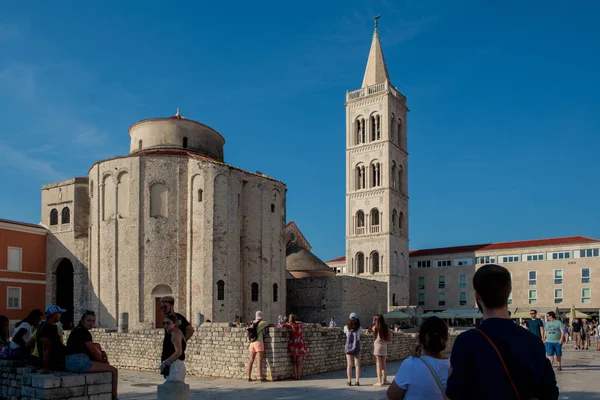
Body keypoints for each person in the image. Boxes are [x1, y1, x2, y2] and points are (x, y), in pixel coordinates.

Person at [446, 264, 558, 400]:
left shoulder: (466, 342)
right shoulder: (533, 342)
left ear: (477, 295)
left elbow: (455, 392)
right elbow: (549, 393)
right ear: (509, 291)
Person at [387, 316, 450, 399]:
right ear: (446, 338)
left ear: (419, 339)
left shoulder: (411, 364)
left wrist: (412, 359)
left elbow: (392, 395)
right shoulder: (454, 366)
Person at [66, 311, 119, 400]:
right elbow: (93, 350)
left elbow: (94, 347)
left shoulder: (76, 330)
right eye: (89, 320)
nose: (91, 323)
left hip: (69, 361)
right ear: (83, 321)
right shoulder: (84, 332)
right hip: (79, 361)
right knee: (114, 370)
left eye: (93, 321)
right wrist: (104, 362)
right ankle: (114, 398)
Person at [38, 305, 67, 373]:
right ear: (55, 314)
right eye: (59, 313)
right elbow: (46, 349)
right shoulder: (47, 328)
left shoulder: (46, 326)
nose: (60, 315)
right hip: (56, 362)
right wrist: (46, 368)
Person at [160, 314, 186, 383]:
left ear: (175, 323)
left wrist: (165, 363)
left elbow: (178, 352)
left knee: (174, 391)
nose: (166, 325)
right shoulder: (176, 332)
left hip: (175, 367)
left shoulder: (175, 335)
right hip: (173, 366)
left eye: (168, 323)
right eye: (164, 323)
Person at [246, 310, 271, 382]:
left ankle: (248, 376)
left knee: (251, 360)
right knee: (259, 360)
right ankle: (260, 377)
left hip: (252, 342)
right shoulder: (262, 323)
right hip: (259, 342)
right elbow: (270, 324)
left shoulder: (251, 322)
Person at [370, 314, 392, 386]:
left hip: (377, 346)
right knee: (384, 365)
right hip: (384, 346)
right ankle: (385, 380)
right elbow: (389, 339)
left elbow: (369, 330)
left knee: (378, 364)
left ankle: (379, 381)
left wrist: (373, 322)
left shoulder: (375, 327)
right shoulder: (387, 327)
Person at [285, 314, 307, 380]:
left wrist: (284, 321)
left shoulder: (289, 325)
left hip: (293, 343)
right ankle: (299, 376)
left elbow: (281, 325)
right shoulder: (299, 324)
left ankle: (296, 376)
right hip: (300, 342)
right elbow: (302, 323)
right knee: (299, 361)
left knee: (294, 361)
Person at [344, 312, 363, 386]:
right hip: (356, 347)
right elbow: (360, 335)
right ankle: (357, 381)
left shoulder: (346, 327)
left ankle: (349, 381)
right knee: (357, 365)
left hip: (348, 347)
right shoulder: (359, 328)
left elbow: (345, 333)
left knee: (349, 365)